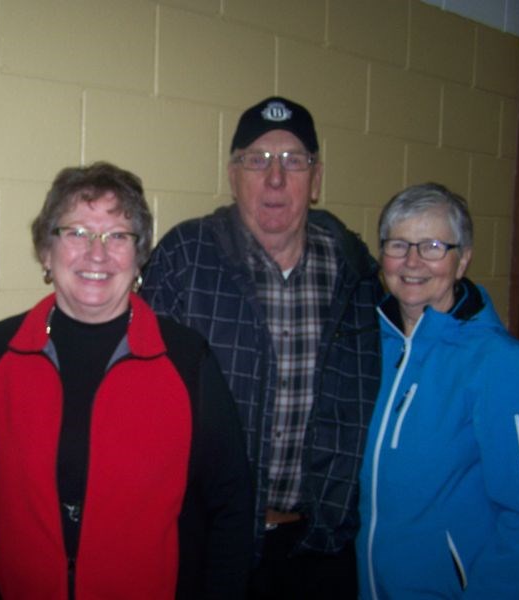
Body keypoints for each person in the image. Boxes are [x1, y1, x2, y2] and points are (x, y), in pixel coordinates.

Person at [0, 162, 253, 599]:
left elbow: (231, 505)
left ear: (139, 257)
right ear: (47, 251)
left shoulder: (186, 361)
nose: (96, 253)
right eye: (77, 233)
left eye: (118, 236)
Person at [140, 96, 382, 598]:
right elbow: (140, 395)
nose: (275, 178)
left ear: (316, 180)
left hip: (321, 547)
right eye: (257, 160)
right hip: (215, 545)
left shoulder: (355, 272)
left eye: (294, 161)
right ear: (234, 176)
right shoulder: (186, 258)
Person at [357, 182, 519, 599]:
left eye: (433, 245)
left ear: (463, 259)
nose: (413, 261)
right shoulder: (367, 350)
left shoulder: (500, 363)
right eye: (399, 244)